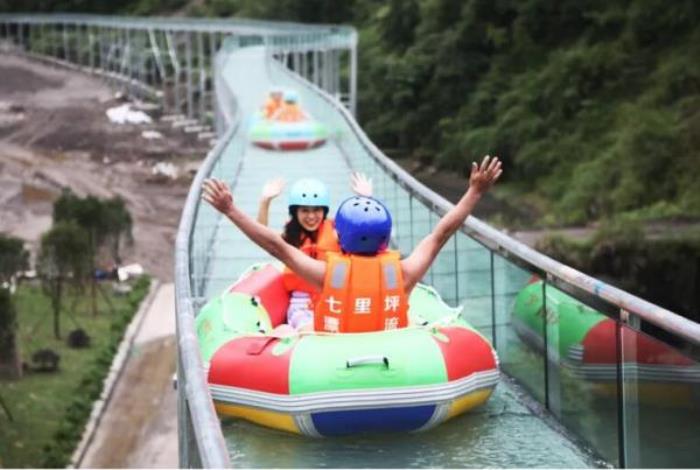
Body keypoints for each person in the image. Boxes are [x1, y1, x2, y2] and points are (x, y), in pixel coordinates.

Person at [202, 155, 502, 333]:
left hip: (332, 352)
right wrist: (475, 192)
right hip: (393, 355)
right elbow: (441, 233)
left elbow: (273, 246)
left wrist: (230, 210)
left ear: (339, 236)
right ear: (385, 238)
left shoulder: (325, 274)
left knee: (284, 331)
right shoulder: (405, 273)